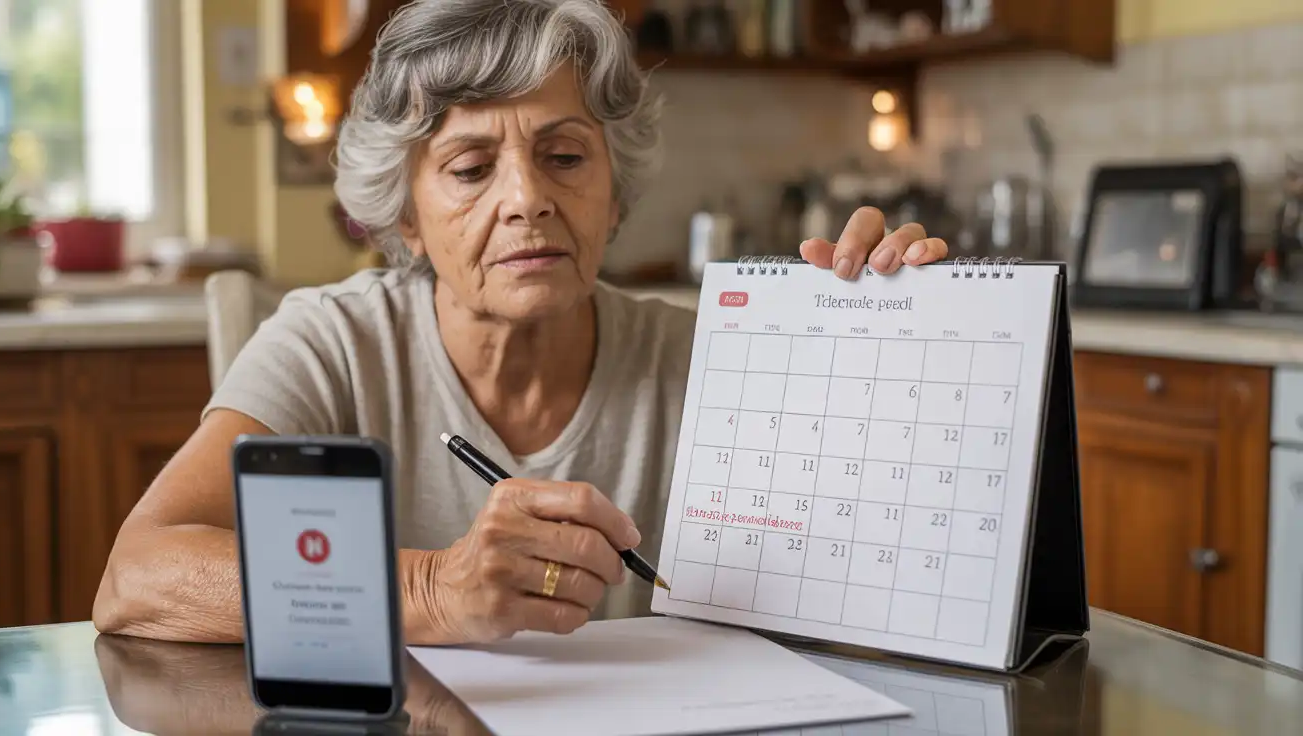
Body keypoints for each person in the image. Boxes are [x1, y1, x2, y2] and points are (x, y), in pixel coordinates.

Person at [92, 0, 948, 645]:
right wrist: (432, 590)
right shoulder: (334, 344)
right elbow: (137, 576)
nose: (528, 199)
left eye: (565, 156)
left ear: (615, 196)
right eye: (470, 168)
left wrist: (901, 350)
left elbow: (882, 579)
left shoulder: (705, 360)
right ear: (405, 218)